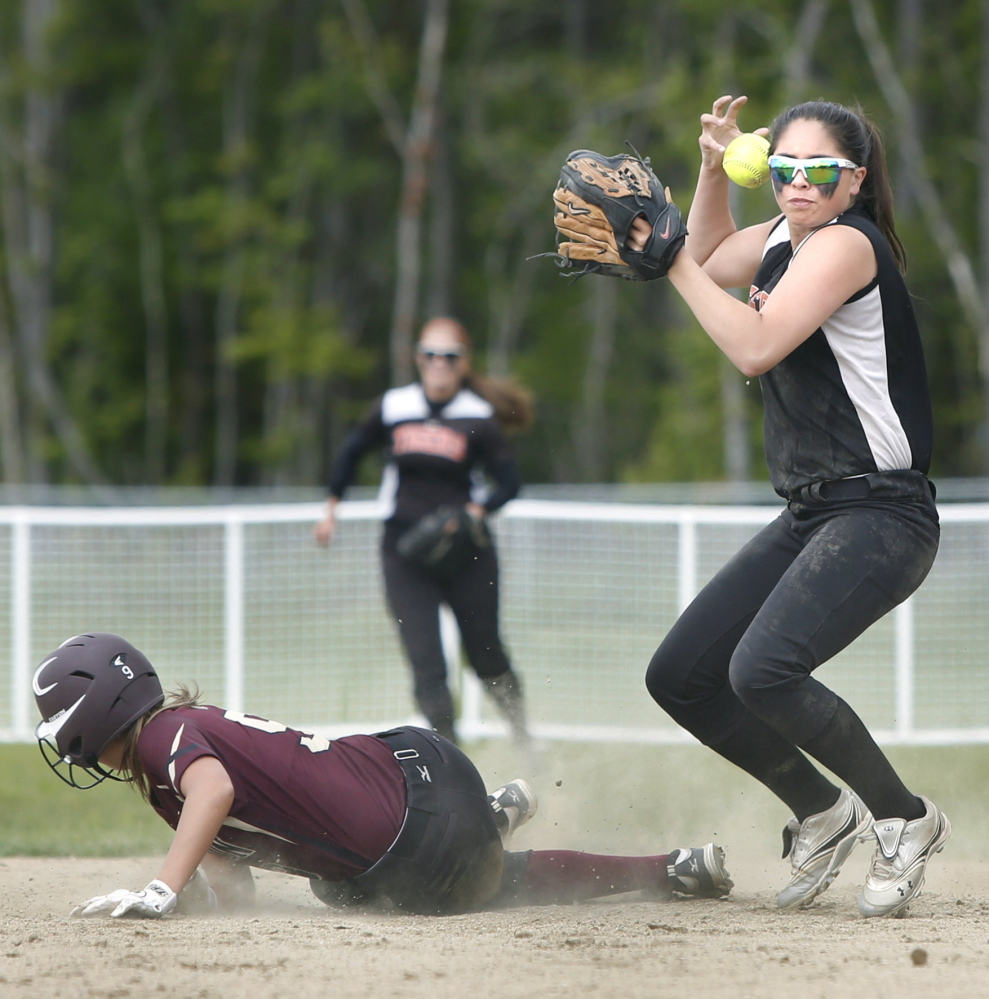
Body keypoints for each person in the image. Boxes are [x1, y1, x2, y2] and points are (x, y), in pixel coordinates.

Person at [631, 96, 949, 918]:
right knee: (681, 676)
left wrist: (667, 262)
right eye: (783, 169)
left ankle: (903, 817)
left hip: (883, 513)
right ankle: (820, 809)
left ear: (853, 182)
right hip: (815, 510)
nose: (797, 185)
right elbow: (701, 256)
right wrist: (707, 173)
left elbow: (751, 342)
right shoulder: (781, 238)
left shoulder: (845, 244)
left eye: (817, 171)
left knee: (762, 669)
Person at [33, 632, 732, 918]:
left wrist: (160, 888)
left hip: (418, 839)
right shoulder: (179, 740)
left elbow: (212, 794)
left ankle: (649, 866)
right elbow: (229, 867)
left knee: (352, 885)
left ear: (91, 721)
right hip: (422, 773)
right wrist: (197, 907)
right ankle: (664, 865)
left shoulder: (162, 742)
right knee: (364, 879)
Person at [315, 317, 533, 748]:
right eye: (430, 354)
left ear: (464, 363)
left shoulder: (478, 417)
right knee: (427, 663)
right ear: (417, 358)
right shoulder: (395, 406)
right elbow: (351, 450)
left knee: (486, 654)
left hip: (465, 549)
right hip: (404, 550)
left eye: (449, 357)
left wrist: (478, 508)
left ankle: (525, 737)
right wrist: (331, 509)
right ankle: (452, 761)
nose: (439, 364)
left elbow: (509, 483)